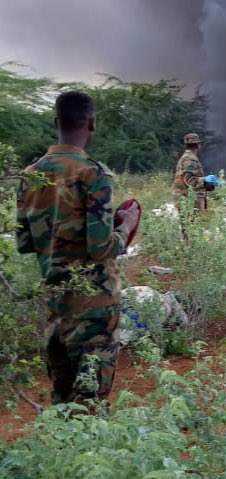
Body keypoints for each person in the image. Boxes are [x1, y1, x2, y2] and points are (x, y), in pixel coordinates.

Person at [16, 91, 140, 405]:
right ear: (92, 123)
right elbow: (100, 248)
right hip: (93, 307)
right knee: (90, 402)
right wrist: (126, 224)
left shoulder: (31, 175)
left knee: (62, 396)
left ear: (56, 122)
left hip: (56, 303)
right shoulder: (93, 174)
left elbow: (24, 242)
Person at [173, 133, 207, 211]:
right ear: (198, 145)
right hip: (189, 201)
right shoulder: (190, 159)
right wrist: (205, 180)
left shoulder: (186, 157)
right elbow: (189, 180)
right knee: (194, 222)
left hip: (185, 199)